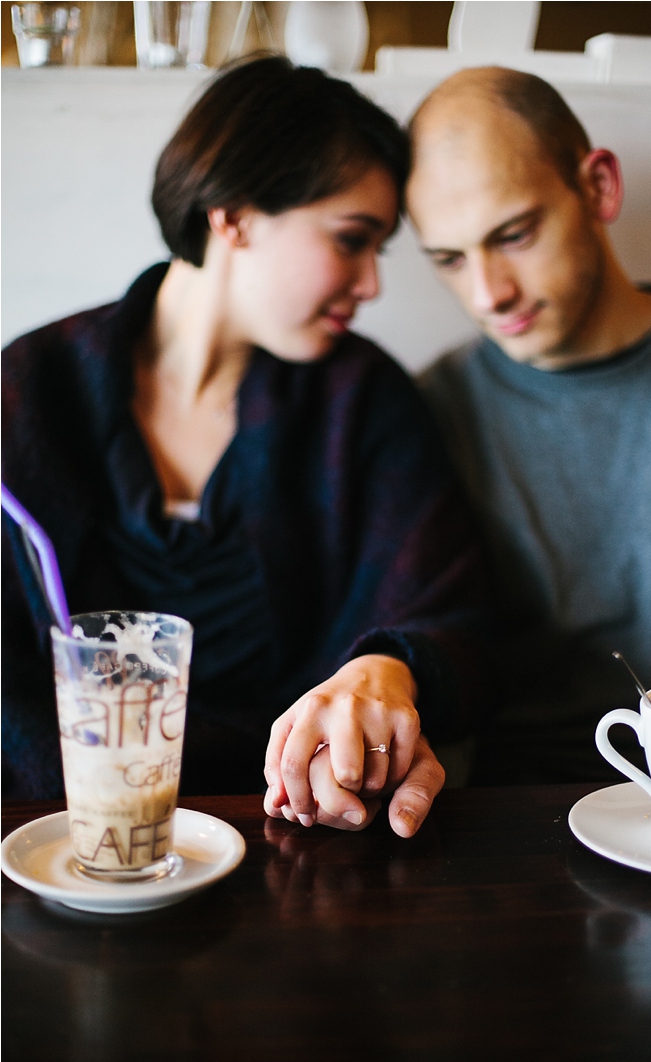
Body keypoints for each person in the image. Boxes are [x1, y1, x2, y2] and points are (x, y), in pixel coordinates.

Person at [2, 56, 488, 834]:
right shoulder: (28, 392)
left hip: (302, 831)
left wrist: (384, 673)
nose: (371, 286)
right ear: (233, 216)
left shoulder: (362, 400)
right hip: (59, 842)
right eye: (351, 239)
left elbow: (448, 605)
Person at [406, 66, 651, 783]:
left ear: (599, 186)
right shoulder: (428, 414)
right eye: (450, 259)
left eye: (513, 234)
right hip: (523, 824)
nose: (489, 293)